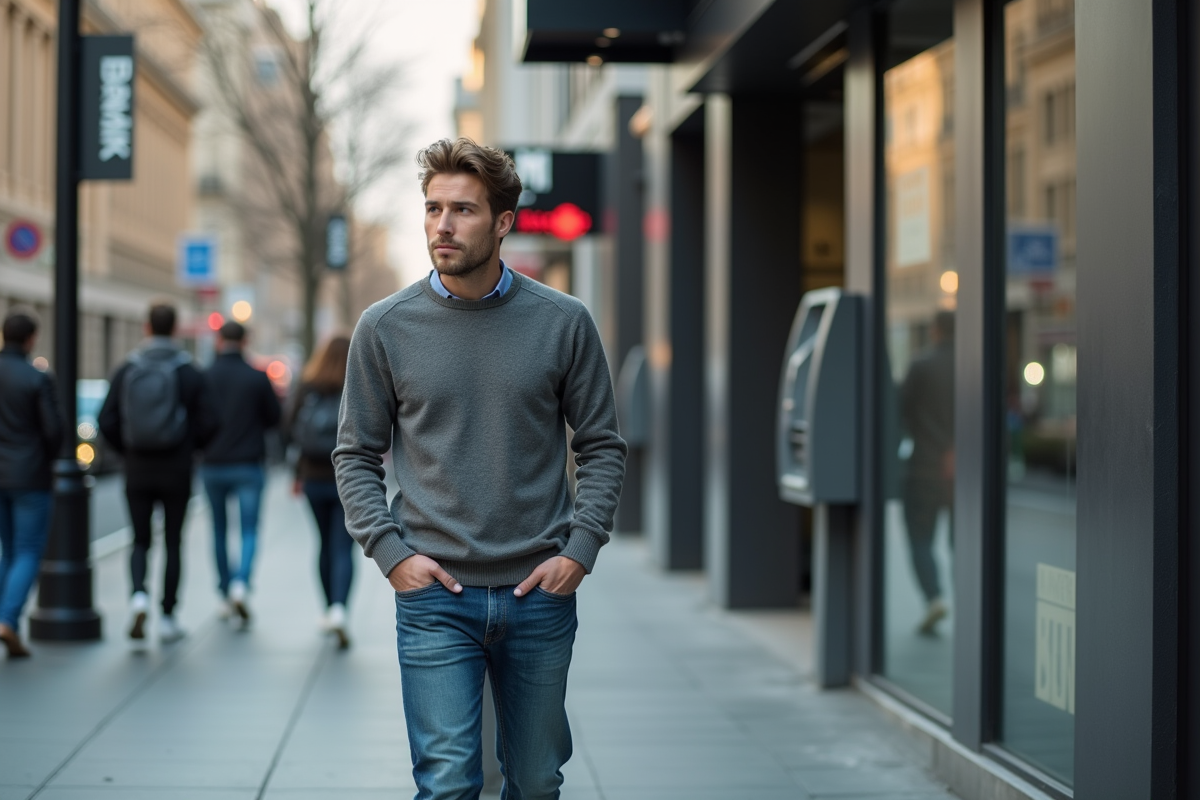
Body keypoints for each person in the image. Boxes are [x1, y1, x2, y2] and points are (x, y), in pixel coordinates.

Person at [334, 138, 627, 799]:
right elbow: (354, 453)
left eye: (463, 210)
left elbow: (602, 445)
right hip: (435, 596)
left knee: (536, 781)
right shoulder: (384, 327)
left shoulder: (563, 322)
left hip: (539, 592)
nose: (443, 225)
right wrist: (391, 554)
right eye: (433, 208)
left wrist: (579, 551)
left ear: (502, 222)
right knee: (446, 783)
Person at [100, 303, 217, 643]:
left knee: (139, 540)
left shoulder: (127, 369)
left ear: (147, 327)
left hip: (136, 468)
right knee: (173, 541)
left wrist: (127, 449)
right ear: (175, 328)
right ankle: (167, 616)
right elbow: (211, 421)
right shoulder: (189, 371)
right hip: (176, 469)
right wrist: (189, 446)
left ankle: (138, 595)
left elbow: (105, 419)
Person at [201, 321, 282, 625]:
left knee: (219, 530)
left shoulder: (206, 376)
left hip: (213, 464)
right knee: (249, 529)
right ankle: (241, 584)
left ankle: (225, 591)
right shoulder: (257, 377)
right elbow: (274, 419)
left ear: (219, 340)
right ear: (245, 341)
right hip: (248, 463)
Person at [0, 309, 63, 658]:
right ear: (30, 338)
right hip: (29, 475)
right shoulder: (37, 378)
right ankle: (8, 620)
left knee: (8, 550)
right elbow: (53, 431)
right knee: (26, 550)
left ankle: (5, 619)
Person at [287, 334, 353, 648]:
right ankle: (340, 608)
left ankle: (328, 609)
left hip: (313, 475)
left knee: (324, 543)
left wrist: (296, 473)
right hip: (348, 477)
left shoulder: (308, 384)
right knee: (343, 547)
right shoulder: (355, 382)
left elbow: (289, 428)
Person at [900, 310, 956, 635]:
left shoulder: (921, 366)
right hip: (964, 470)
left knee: (920, 538)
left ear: (935, 330)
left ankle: (933, 597)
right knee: (965, 540)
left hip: (925, 466)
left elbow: (902, 411)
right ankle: (973, 601)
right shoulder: (974, 365)